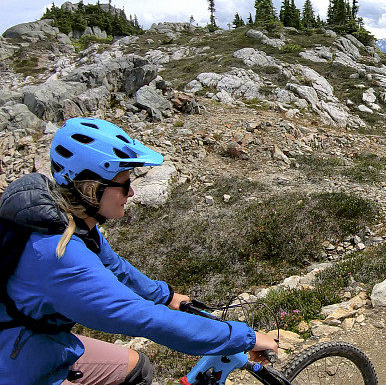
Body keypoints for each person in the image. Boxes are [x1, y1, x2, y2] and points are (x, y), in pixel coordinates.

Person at [0, 118, 277, 384]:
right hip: (17, 366)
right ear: (90, 188)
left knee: (137, 369)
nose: (131, 192)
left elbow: (114, 266)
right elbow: (146, 320)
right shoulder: (61, 258)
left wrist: (166, 296)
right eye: (123, 184)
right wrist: (245, 337)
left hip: (36, 341)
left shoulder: (72, 222)